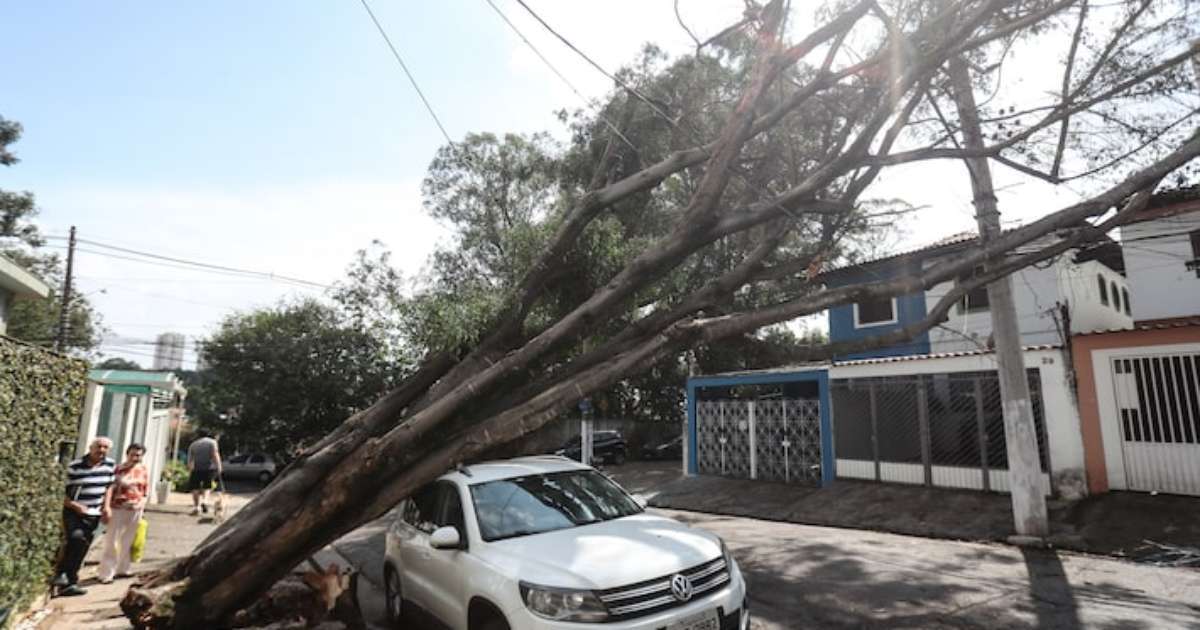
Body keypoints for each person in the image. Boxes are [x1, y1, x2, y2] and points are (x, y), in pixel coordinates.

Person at [53, 437, 116, 597]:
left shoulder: (109, 466)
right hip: (74, 510)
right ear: (90, 447)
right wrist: (75, 505)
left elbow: (109, 486)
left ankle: (70, 581)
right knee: (76, 537)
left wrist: (106, 507)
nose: (101, 450)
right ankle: (61, 574)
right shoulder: (75, 466)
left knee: (83, 545)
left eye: (105, 448)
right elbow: (62, 491)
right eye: (98, 447)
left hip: (93, 513)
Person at [96, 443, 148, 583]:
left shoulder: (143, 470)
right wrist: (106, 507)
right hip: (118, 508)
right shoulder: (118, 469)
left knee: (127, 540)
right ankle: (106, 573)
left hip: (135, 509)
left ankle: (122, 568)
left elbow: (144, 490)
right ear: (127, 454)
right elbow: (110, 488)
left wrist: (142, 503)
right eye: (132, 454)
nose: (135, 458)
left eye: (138, 455)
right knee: (112, 540)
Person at [186, 430, 222, 516]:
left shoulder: (193, 444)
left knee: (195, 488)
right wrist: (219, 466)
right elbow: (215, 454)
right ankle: (205, 501)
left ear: (198, 435)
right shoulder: (212, 442)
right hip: (209, 468)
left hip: (196, 468)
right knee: (207, 486)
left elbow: (190, 459)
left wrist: (190, 469)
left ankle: (196, 507)